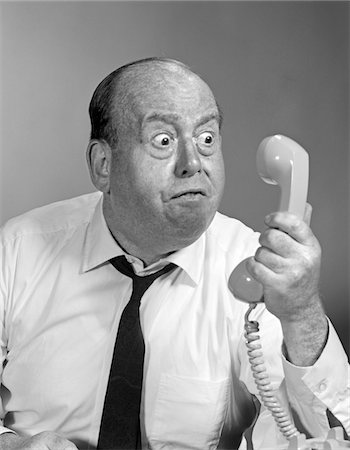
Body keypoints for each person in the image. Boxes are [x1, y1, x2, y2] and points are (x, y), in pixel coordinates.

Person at [0, 57, 348, 450]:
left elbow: (318, 439)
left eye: (207, 139)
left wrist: (301, 315)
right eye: (163, 141)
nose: (193, 164)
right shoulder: (17, 249)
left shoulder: (259, 269)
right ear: (103, 165)